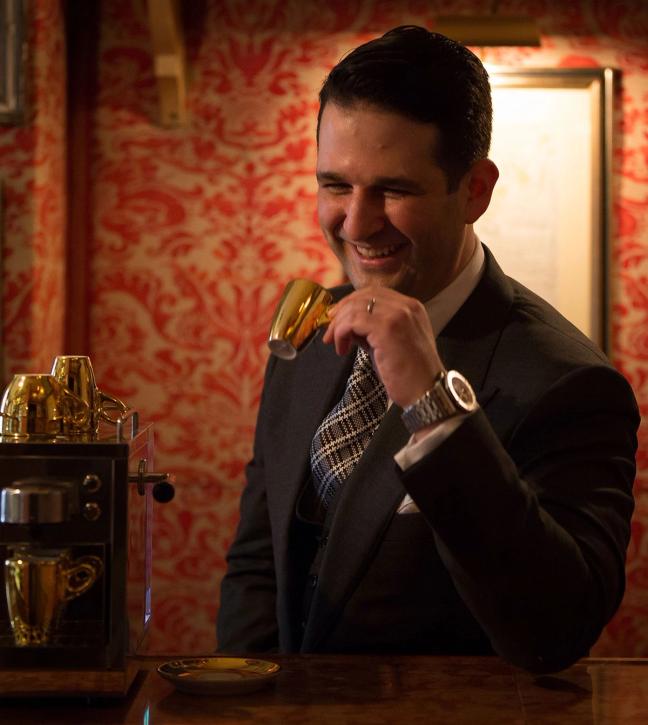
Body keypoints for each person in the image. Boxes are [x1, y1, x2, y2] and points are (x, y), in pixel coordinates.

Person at [217, 26, 639, 673]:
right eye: (335, 185)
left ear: (475, 190)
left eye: (394, 190)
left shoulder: (570, 382)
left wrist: (434, 407)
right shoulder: (312, 331)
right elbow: (257, 563)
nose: (357, 224)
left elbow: (558, 629)